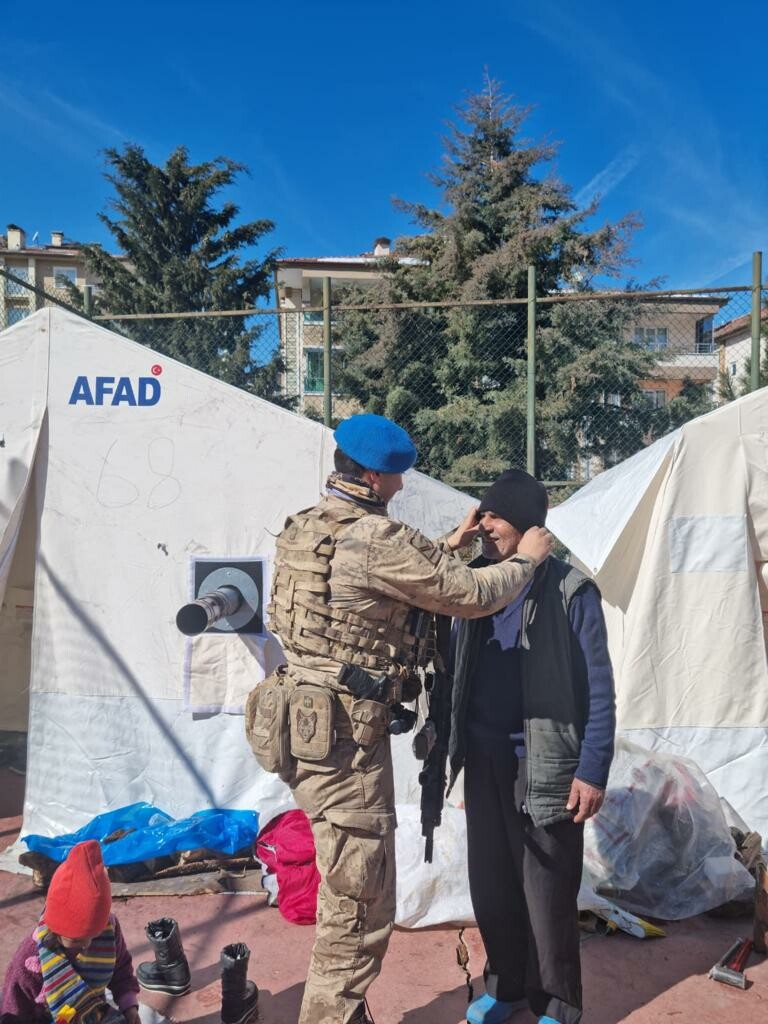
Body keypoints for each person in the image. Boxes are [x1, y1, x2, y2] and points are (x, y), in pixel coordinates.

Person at [246, 414, 553, 1024]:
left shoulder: (305, 528)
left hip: (296, 726)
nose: (401, 487)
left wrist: (448, 543)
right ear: (371, 475)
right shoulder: (380, 539)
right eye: (395, 478)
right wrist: (528, 562)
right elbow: (468, 595)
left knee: (350, 881)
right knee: (359, 899)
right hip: (343, 738)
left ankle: (347, 1008)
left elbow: (367, 584)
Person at [448, 469, 616, 1024]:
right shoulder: (475, 583)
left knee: (546, 893)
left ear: (525, 523)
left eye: (495, 515)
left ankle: (558, 1005)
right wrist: (460, 538)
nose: (486, 524)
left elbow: (600, 688)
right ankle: (506, 986)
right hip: (484, 757)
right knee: (492, 884)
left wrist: (593, 770)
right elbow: (419, 593)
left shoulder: (570, 589)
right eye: (483, 514)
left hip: (545, 762)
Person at [0, 840, 141, 1024]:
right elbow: (15, 1010)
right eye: (76, 940)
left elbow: (121, 970)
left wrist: (129, 1007)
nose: (87, 944)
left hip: (91, 1012)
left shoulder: (109, 929)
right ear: (55, 930)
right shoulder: (30, 960)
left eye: (95, 935)